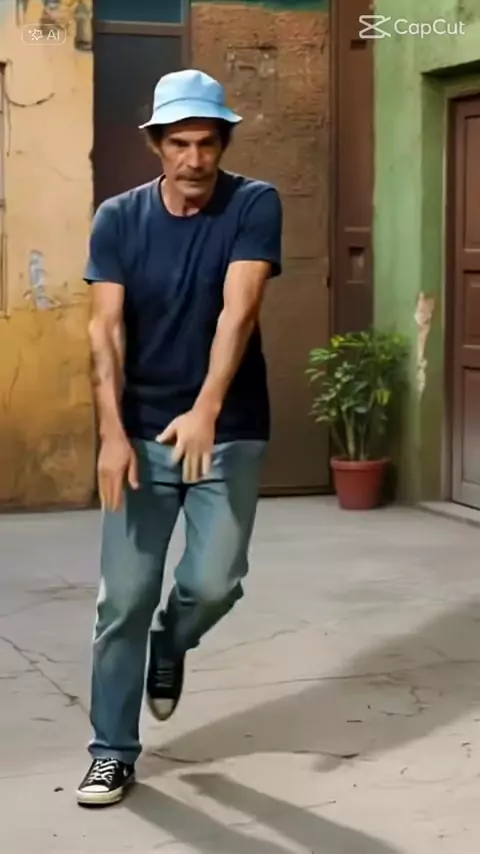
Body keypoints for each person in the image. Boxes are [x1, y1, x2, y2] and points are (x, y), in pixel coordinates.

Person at [76, 68, 283, 807]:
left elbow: (239, 310)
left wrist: (205, 410)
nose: (194, 160)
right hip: (139, 433)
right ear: (156, 145)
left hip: (227, 429)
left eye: (207, 144)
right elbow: (104, 331)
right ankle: (112, 751)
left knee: (215, 581)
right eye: (179, 144)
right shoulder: (118, 219)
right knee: (124, 601)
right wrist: (112, 435)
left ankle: (172, 642)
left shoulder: (253, 203)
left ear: (222, 144)